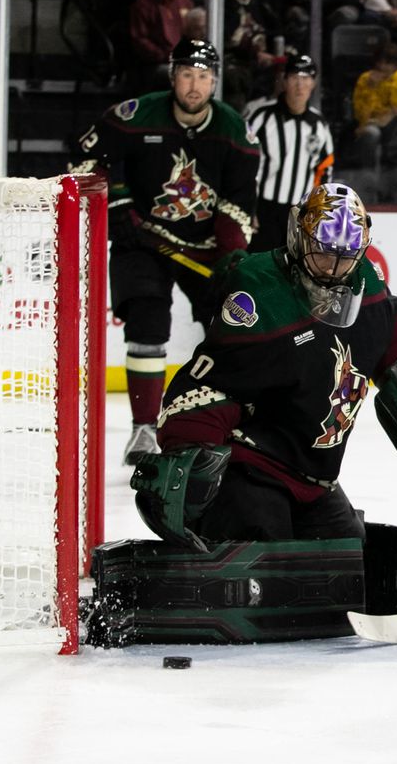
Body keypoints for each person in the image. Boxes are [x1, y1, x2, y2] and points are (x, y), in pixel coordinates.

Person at [142, 183, 397, 544]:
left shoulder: (365, 281)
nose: (334, 269)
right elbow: (216, 382)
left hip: (315, 477)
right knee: (265, 551)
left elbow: (396, 345)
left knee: (344, 560)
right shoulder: (258, 291)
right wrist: (190, 452)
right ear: (298, 236)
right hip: (253, 467)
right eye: (323, 254)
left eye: (345, 257)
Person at [68, 40, 260, 465]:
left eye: (203, 76)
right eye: (187, 75)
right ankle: (142, 429)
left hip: (204, 247)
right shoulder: (134, 116)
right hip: (143, 241)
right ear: (173, 76)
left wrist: (231, 253)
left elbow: (239, 201)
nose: (195, 85)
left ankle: (219, 420)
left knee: (227, 327)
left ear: (214, 81)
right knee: (148, 323)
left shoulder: (235, 132)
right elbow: (87, 158)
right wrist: (116, 204)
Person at [245, 55, 335, 253]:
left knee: (291, 272)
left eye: (306, 78)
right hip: (263, 210)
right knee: (258, 268)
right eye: (295, 77)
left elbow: (324, 171)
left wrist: (316, 212)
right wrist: (248, 207)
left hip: (298, 212)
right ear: (284, 80)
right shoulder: (261, 117)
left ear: (314, 83)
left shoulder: (319, 125)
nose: (300, 85)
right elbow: (245, 165)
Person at [222, 0, 281, 112]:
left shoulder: (261, 5)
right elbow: (227, 40)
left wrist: (275, 54)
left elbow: (276, 31)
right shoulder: (222, 6)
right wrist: (256, 54)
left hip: (264, 62)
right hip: (237, 62)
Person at [129, 0, 195, 88]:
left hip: (187, 62)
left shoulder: (186, 3)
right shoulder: (143, 5)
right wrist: (166, 55)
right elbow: (140, 40)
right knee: (183, 77)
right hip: (156, 65)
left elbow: (197, 35)